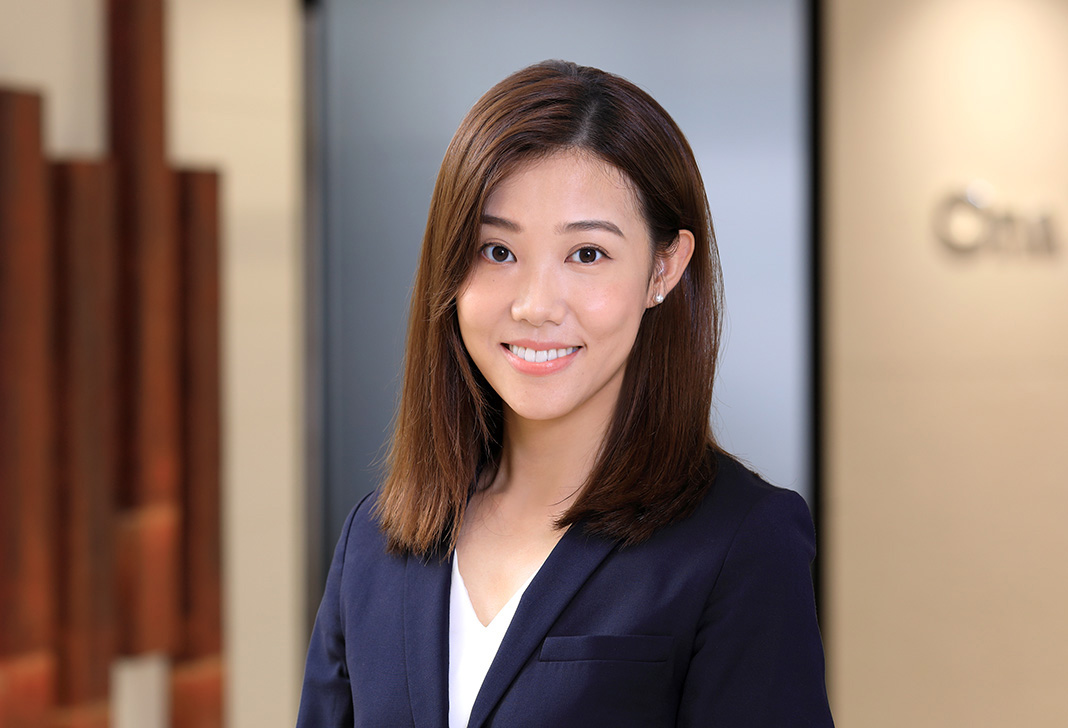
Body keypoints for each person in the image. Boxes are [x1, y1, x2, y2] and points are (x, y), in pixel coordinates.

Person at [297, 60, 833, 727]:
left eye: (587, 255)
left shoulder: (742, 542)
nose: (535, 305)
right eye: (497, 251)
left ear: (663, 268)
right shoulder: (373, 543)